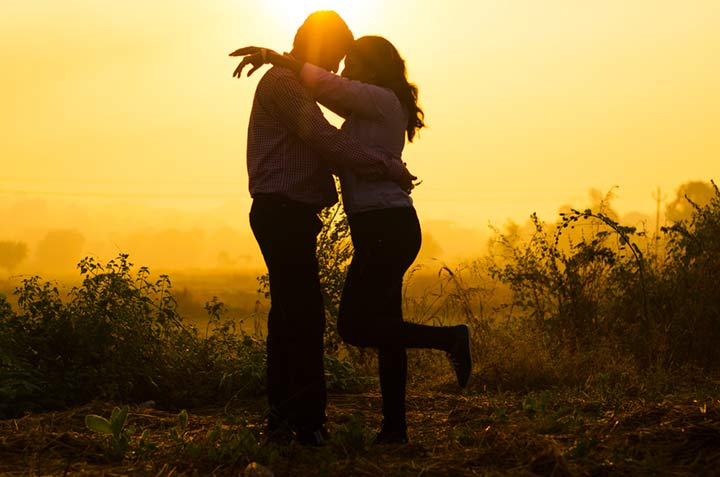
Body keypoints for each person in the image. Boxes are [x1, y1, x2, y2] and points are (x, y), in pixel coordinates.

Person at [232, 35, 473, 444]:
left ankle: (448, 338)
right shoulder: (367, 103)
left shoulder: (377, 99)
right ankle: (395, 428)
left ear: (375, 70)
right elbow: (328, 109)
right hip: (379, 227)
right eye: (340, 59)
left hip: (385, 226)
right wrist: (287, 64)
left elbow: (327, 95)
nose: (341, 69)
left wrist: (279, 57)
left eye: (352, 61)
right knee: (385, 326)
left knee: (356, 326)